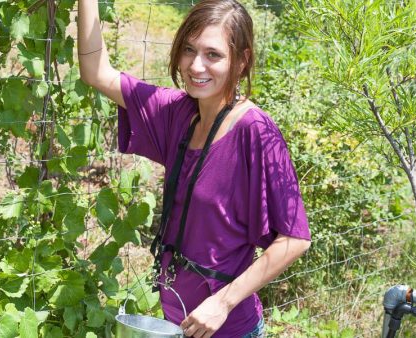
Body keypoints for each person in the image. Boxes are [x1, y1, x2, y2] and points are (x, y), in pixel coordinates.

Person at [78, 0, 311, 337]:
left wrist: (224, 302)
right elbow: (95, 72)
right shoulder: (179, 112)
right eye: (189, 50)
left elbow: (294, 239)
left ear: (242, 61)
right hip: (175, 324)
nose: (195, 65)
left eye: (213, 54)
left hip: (230, 329)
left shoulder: (256, 132)